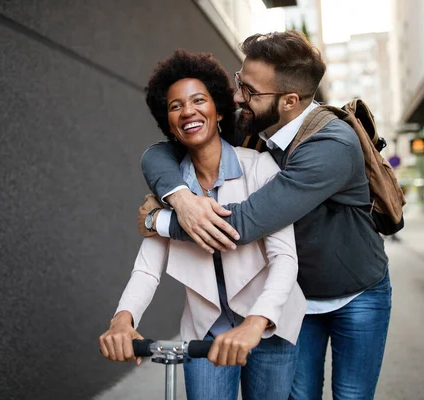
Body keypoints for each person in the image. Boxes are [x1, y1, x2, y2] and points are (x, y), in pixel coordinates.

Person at [138, 31, 392, 400]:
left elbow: (242, 224)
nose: (239, 96)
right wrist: (180, 196)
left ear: (289, 100)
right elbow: (162, 152)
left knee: (351, 395)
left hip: (357, 293)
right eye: (241, 82)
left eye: (250, 91)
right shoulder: (253, 124)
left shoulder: (332, 146)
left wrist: (158, 222)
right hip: (297, 293)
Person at [99, 50, 306, 400]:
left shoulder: (259, 168)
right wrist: (122, 320)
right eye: (175, 106)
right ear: (168, 122)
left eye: (198, 100)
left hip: (268, 325)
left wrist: (256, 323)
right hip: (205, 332)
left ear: (219, 110)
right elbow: (148, 270)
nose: (188, 111)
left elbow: (284, 258)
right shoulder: (170, 189)